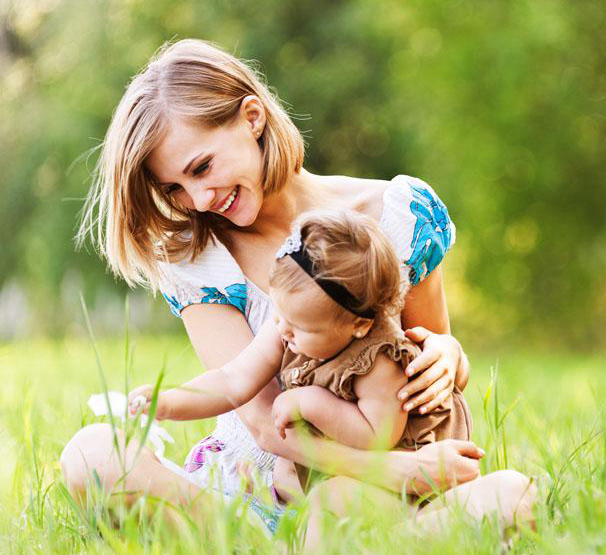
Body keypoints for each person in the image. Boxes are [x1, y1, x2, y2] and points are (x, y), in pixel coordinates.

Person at [60, 38, 536, 539]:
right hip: (255, 497)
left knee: (512, 495)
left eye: (202, 168)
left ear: (252, 118)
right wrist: (393, 469)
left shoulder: (398, 213)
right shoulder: (199, 258)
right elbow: (263, 419)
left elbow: (432, 361)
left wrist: (447, 355)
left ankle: (363, 539)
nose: (198, 199)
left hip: (378, 494)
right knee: (92, 457)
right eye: (174, 188)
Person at [127, 209, 474, 502]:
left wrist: (311, 402)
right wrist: (169, 403)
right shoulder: (290, 323)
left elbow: (375, 437)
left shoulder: (380, 361)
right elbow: (233, 380)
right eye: (280, 315)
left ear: (359, 325)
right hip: (351, 473)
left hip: (406, 474)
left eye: (299, 326)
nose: (284, 330)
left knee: (334, 502)